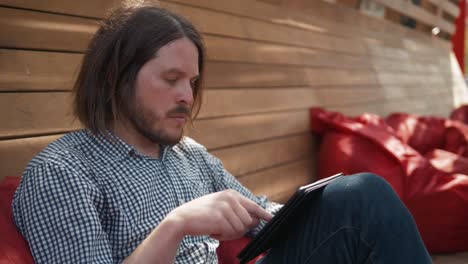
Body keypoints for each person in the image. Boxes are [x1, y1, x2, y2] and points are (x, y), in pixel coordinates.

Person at [12, 3, 432, 264]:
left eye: (191, 82)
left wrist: (304, 210)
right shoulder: (62, 172)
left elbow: (260, 215)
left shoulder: (187, 154)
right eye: (171, 79)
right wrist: (175, 226)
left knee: (359, 198)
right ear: (112, 78)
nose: (186, 96)